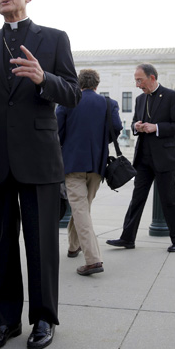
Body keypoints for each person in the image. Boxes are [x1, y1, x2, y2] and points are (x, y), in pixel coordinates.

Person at [0, 0, 81, 349]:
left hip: (39, 158)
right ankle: (5, 321)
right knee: (3, 244)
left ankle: (44, 318)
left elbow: (73, 94)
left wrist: (43, 78)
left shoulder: (55, 39)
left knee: (42, 243)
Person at [106, 64, 175, 252]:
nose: (137, 84)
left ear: (152, 78)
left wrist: (156, 127)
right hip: (143, 158)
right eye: (136, 80)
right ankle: (127, 238)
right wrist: (137, 126)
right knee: (137, 199)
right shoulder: (140, 99)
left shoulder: (172, 96)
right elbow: (134, 121)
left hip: (165, 158)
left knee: (169, 199)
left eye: (139, 80)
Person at [56, 69, 121, 276]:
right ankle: (74, 246)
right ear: (97, 84)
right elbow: (116, 128)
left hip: (73, 164)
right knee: (82, 208)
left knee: (80, 209)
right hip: (97, 166)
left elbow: (56, 132)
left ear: (78, 83)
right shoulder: (109, 104)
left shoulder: (67, 102)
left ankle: (93, 260)